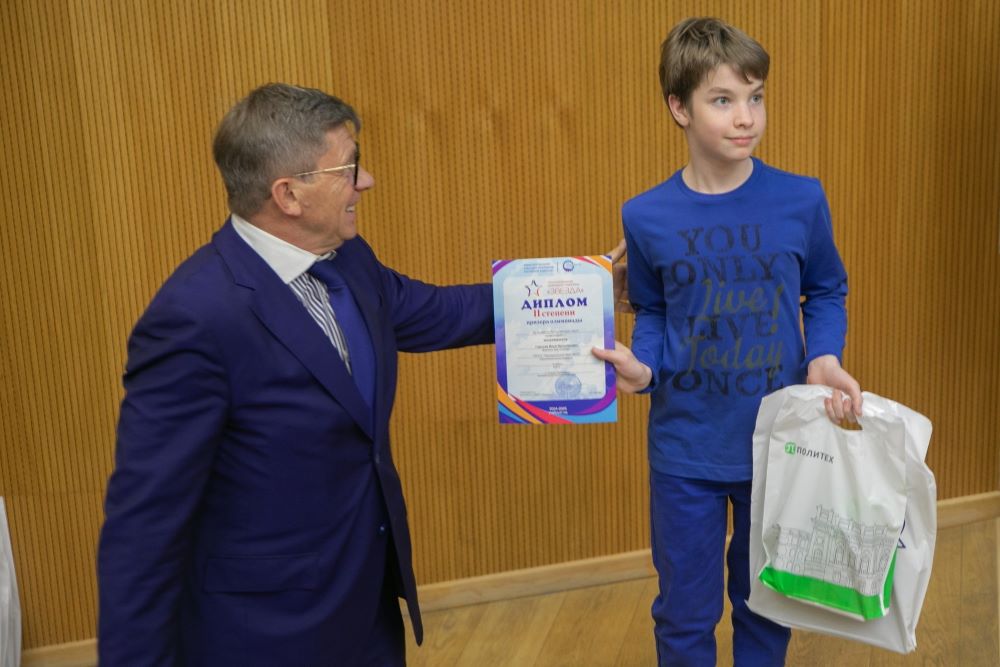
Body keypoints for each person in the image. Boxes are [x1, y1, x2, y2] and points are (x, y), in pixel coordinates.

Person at [96, 83, 496, 666]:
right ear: (288, 194)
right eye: (349, 167)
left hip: (365, 607)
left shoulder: (348, 259)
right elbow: (145, 524)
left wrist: (581, 286)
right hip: (265, 634)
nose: (366, 181)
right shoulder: (194, 318)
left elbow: (436, 311)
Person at [592, 18, 863, 666]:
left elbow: (826, 288)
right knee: (684, 613)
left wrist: (824, 355)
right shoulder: (645, 215)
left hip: (780, 443)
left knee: (765, 606)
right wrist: (644, 369)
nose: (746, 117)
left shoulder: (800, 199)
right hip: (685, 450)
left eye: (755, 97)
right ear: (679, 108)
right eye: (723, 99)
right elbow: (653, 310)